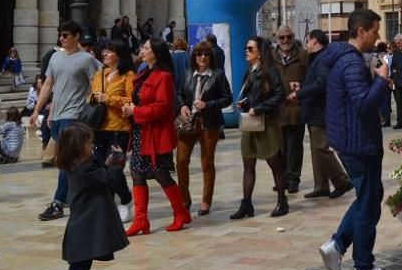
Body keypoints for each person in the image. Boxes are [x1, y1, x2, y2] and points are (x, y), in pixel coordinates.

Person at [318, 9, 397, 270]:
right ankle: (363, 268)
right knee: (368, 205)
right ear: (361, 31)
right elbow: (363, 103)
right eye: (375, 31)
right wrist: (382, 79)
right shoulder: (351, 63)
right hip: (359, 144)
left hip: (353, 140)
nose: (378, 36)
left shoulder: (343, 58)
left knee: (368, 198)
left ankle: (337, 245)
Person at [31, 20, 102, 222]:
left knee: (65, 159)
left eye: (66, 35)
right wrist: (39, 110)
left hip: (75, 114)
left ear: (76, 36)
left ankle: (58, 202)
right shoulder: (55, 58)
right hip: (58, 114)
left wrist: (91, 109)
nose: (61, 39)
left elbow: (95, 87)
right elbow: (48, 85)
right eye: (60, 35)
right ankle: (92, 189)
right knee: (76, 159)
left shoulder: (86, 59)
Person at [56, 123, 129, 270]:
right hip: (85, 224)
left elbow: (99, 174)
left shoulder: (77, 165)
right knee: (80, 267)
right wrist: (119, 161)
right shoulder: (83, 168)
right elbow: (108, 179)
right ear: (79, 147)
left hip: (81, 222)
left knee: (78, 266)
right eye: (89, 144)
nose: (93, 147)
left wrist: (107, 164)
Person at [121, 38, 188, 235]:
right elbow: (139, 99)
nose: (143, 50)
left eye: (147, 48)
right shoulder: (144, 73)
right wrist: (130, 109)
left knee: (160, 173)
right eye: (143, 47)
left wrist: (136, 112)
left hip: (156, 133)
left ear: (156, 52)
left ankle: (180, 212)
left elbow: (162, 107)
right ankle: (141, 220)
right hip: (141, 131)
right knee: (137, 173)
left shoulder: (164, 76)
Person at [231, 36, 287, 219]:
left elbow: (280, 94)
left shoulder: (270, 71)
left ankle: (282, 200)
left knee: (274, 162)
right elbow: (250, 94)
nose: (246, 51)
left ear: (260, 52)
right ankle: (246, 203)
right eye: (246, 48)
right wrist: (245, 104)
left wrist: (260, 108)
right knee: (248, 163)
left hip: (266, 122)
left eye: (250, 49)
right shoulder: (250, 71)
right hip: (250, 122)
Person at [176, 40, 232, 215]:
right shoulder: (187, 74)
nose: (203, 57)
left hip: (209, 123)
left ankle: (206, 201)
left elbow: (227, 98)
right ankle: (184, 199)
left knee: (207, 162)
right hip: (188, 122)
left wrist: (208, 104)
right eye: (199, 54)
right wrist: (182, 106)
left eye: (206, 54)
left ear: (211, 56)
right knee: (181, 161)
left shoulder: (218, 75)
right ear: (194, 56)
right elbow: (179, 93)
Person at [296, 30, 352, 199]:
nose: (306, 44)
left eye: (308, 41)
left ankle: (342, 181)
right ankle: (321, 185)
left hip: (320, 110)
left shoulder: (321, 59)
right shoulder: (317, 58)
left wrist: (300, 93)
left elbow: (322, 83)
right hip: (314, 110)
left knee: (321, 148)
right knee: (315, 149)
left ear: (314, 41)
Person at [92, 40, 136, 223]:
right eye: (104, 51)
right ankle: (108, 205)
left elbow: (131, 100)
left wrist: (108, 98)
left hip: (119, 129)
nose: (105, 54)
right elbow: (92, 94)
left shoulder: (128, 75)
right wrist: (94, 97)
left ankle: (125, 200)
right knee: (103, 170)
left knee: (115, 170)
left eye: (109, 51)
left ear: (118, 54)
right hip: (100, 128)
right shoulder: (100, 73)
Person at [273, 25, 308, 194]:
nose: (285, 40)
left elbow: (310, 77)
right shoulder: (271, 56)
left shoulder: (302, 54)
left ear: (293, 37)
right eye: (282, 38)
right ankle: (282, 178)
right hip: (277, 108)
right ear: (277, 39)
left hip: (296, 108)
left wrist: (302, 88)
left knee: (294, 145)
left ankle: (293, 178)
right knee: (280, 147)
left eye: (288, 36)